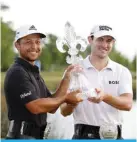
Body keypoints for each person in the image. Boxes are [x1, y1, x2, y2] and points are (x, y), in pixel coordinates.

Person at [4, 25, 83, 139]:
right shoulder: (17, 72)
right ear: (17, 45)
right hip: (21, 136)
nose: (34, 46)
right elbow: (35, 107)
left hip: (34, 137)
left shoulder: (33, 72)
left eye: (37, 42)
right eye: (28, 42)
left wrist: (66, 78)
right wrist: (66, 98)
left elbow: (52, 106)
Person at [60, 25, 133, 139]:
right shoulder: (74, 70)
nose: (105, 45)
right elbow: (64, 111)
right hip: (83, 135)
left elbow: (128, 104)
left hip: (114, 136)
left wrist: (105, 97)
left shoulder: (122, 71)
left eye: (109, 41)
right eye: (100, 39)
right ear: (90, 40)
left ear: (113, 43)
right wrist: (73, 102)